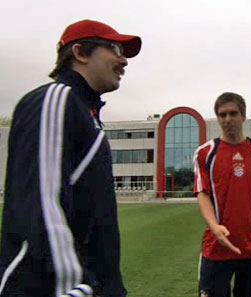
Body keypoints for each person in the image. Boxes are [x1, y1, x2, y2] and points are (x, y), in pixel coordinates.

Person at [0, 19, 141, 297]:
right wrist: (77, 285)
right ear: (80, 53)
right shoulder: (55, 99)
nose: (123, 60)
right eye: (115, 48)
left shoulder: (88, 116)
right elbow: (43, 203)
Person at [193, 92, 251, 297]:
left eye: (233, 113)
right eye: (222, 115)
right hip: (217, 247)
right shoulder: (205, 153)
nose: (228, 119)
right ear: (217, 119)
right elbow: (202, 192)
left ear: (243, 116)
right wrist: (214, 226)